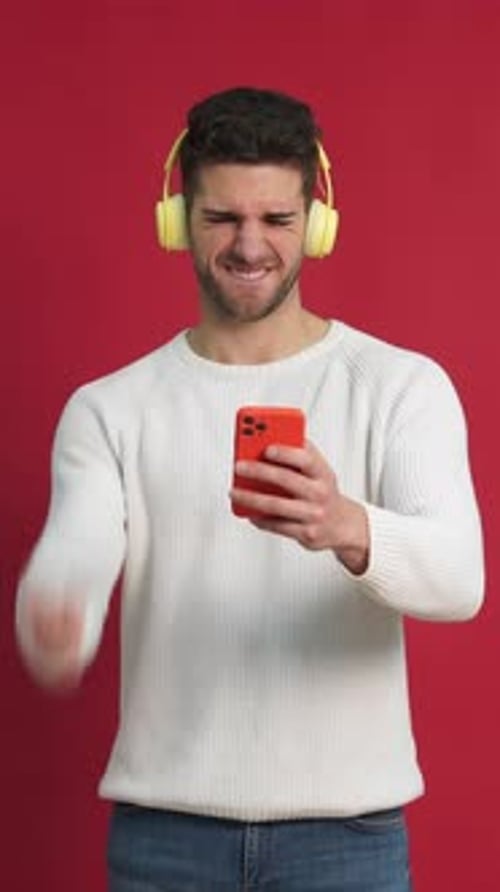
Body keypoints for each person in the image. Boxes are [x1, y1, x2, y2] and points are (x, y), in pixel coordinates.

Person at [15, 86, 484, 892]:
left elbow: (460, 581)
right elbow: (78, 548)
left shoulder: (402, 386)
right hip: (165, 842)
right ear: (176, 219)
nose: (249, 245)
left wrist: (346, 525)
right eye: (222, 217)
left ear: (318, 221)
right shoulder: (110, 408)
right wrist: (58, 607)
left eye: (277, 219)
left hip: (348, 842)